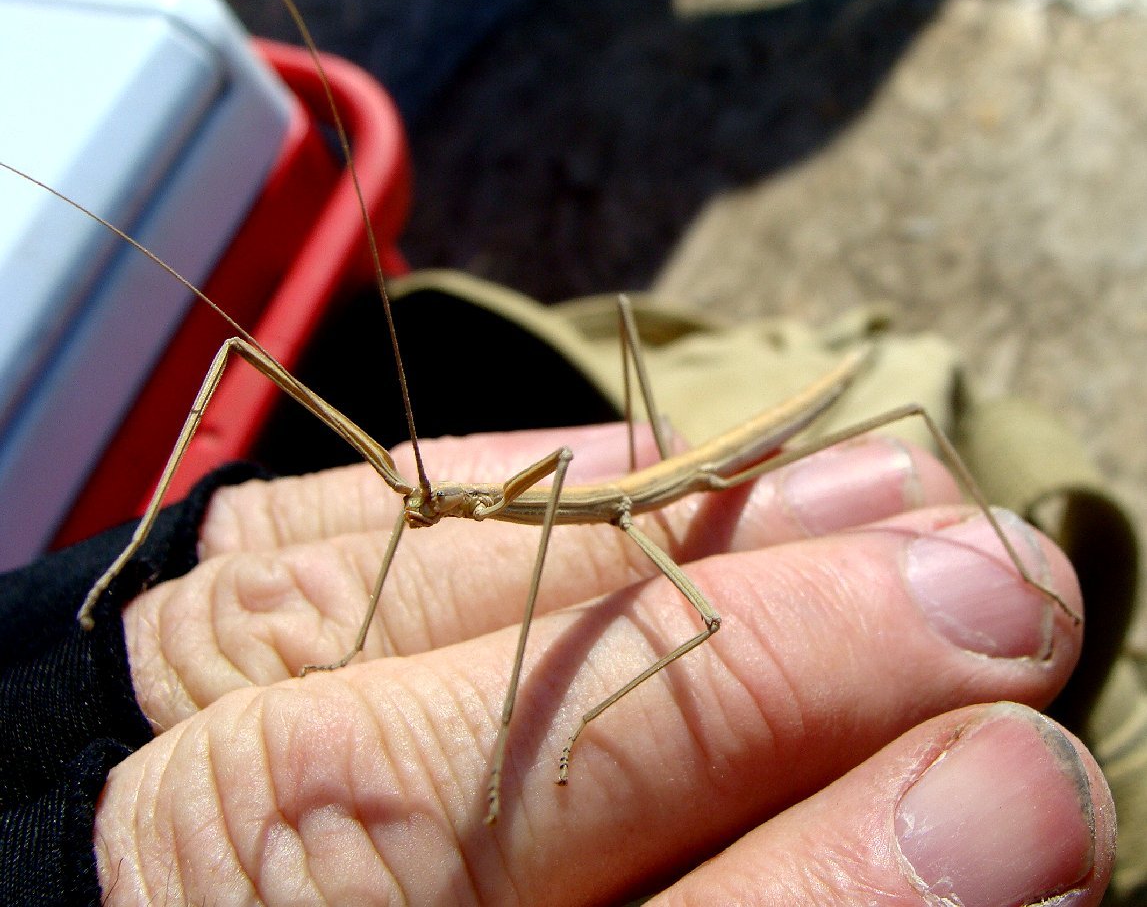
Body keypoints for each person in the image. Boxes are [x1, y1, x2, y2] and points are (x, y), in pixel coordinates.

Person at [1, 423, 1114, 904]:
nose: (421, 511)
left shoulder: (578, 508)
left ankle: (1007, 550)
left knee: (728, 588)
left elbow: (690, 614)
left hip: (680, 486)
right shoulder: (461, 504)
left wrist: (565, 725)